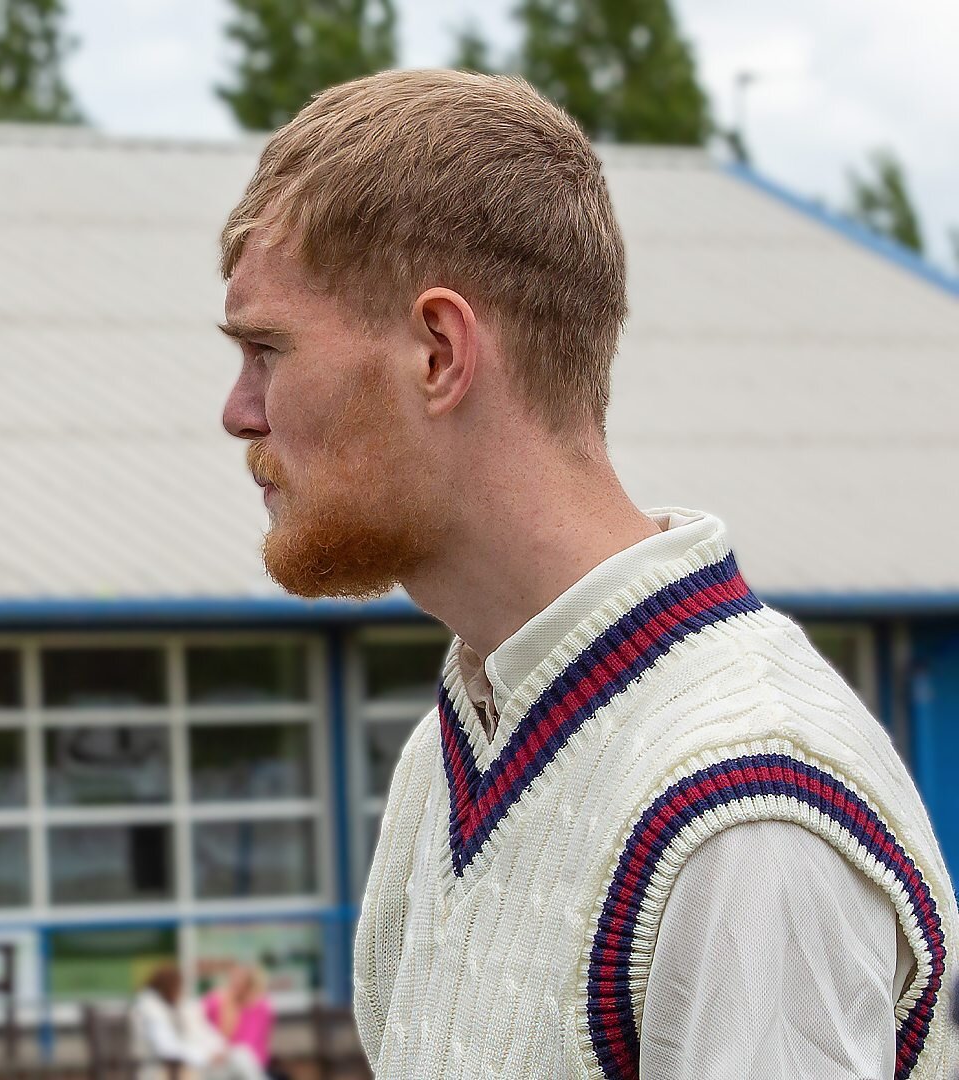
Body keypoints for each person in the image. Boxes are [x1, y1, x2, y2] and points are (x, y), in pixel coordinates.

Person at [217, 69, 955, 1079]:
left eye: (267, 349)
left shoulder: (743, 812)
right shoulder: (443, 765)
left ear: (440, 351)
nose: (239, 410)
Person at [130, 965, 263, 1080]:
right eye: (177, 987)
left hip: (199, 1062)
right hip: (171, 1070)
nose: (180, 991)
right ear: (167, 987)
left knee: (242, 1056)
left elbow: (201, 1031)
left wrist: (219, 1050)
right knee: (241, 1060)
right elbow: (168, 1048)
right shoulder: (150, 1009)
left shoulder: (180, 1006)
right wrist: (206, 1056)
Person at [201, 966, 281, 1080]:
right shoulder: (217, 1002)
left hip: (250, 1064)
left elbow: (250, 1045)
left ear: (249, 985)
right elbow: (199, 1022)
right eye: (233, 980)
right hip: (221, 1063)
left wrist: (225, 1053)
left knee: (241, 1055)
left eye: (240, 982)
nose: (235, 985)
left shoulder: (260, 1007)